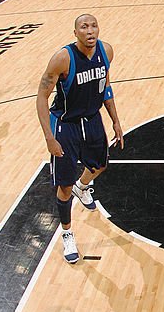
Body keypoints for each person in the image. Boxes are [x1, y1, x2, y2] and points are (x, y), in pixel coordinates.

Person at [36, 14, 124, 263]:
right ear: (75, 33)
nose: (90, 30)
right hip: (65, 125)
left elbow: (105, 87)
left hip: (92, 119)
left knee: (100, 165)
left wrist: (116, 120)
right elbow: (41, 97)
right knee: (63, 186)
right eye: (84, 27)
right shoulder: (62, 59)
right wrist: (49, 137)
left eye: (93, 25)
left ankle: (82, 186)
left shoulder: (106, 52)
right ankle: (67, 233)